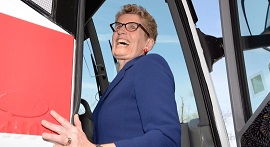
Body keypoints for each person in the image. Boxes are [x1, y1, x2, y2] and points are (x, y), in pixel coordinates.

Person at [41, 4, 181, 147]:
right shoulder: (117, 84)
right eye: (118, 26)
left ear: (148, 43)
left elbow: (166, 139)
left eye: (132, 26)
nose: (121, 31)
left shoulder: (150, 64)